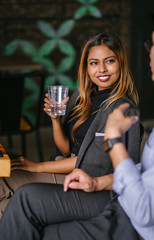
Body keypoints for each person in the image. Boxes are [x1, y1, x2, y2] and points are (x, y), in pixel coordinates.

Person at [0, 31, 142, 240]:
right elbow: (66, 149)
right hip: (67, 169)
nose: (101, 69)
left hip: (91, 183)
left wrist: (36, 166)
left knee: (12, 195)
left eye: (109, 61)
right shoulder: (83, 96)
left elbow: (87, 162)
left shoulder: (123, 110)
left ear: (121, 63)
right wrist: (56, 120)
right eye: (94, 63)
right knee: (3, 181)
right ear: (86, 66)